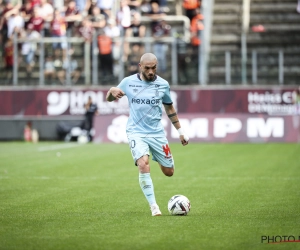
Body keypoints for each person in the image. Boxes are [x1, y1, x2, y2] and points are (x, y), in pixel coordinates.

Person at [106, 53, 189, 216]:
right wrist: (111, 91)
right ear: (140, 67)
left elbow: (169, 108)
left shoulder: (163, 85)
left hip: (157, 133)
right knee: (143, 164)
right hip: (136, 131)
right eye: (147, 68)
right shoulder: (128, 82)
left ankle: (156, 157)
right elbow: (109, 99)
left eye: (154, 68)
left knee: (169, 172)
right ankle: (154, 206)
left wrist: (180, 131)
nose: (151, 72)